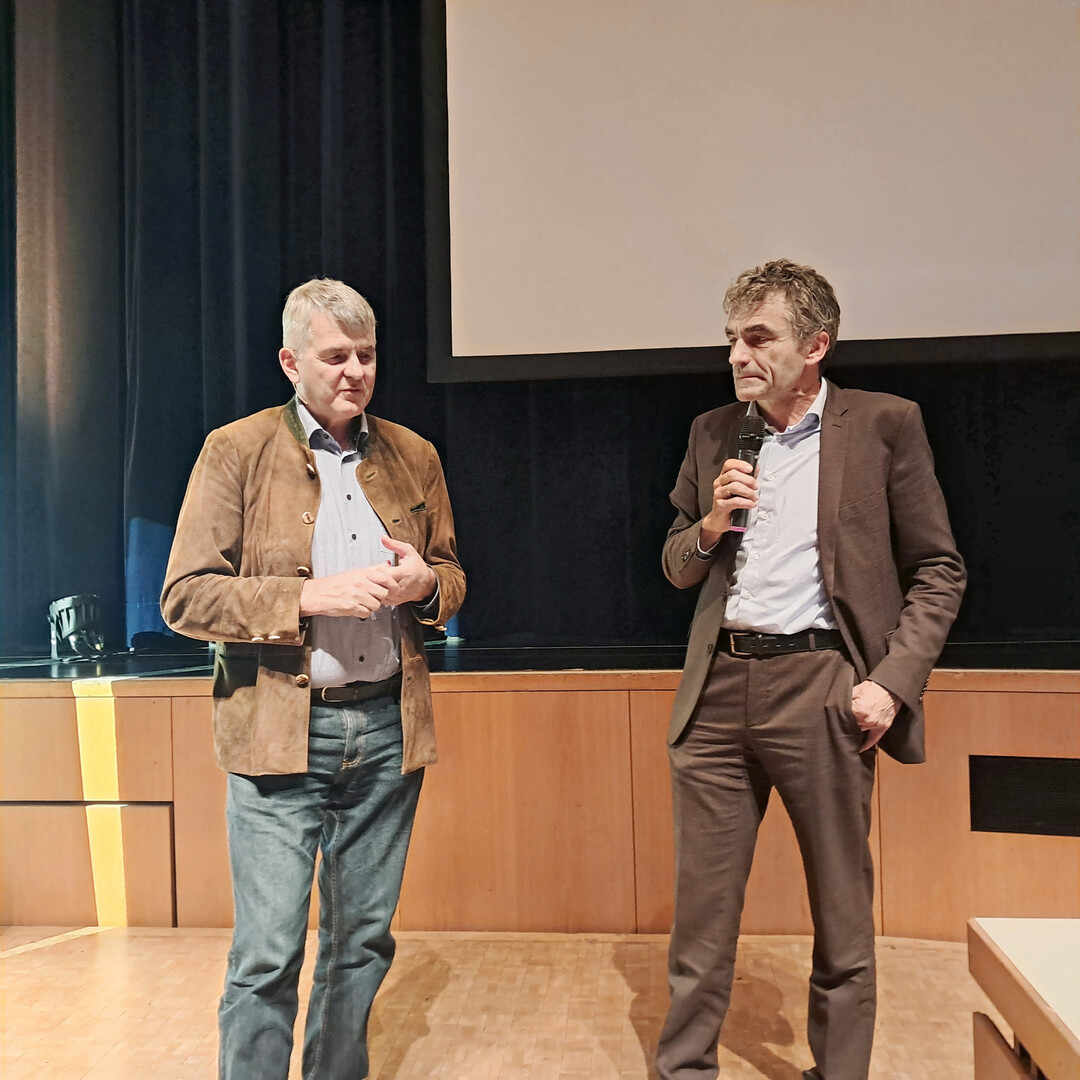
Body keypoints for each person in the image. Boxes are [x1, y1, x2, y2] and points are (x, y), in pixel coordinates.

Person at [655, 259, 965, 1080]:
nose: (737, 356)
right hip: (717, 689)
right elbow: (677, 564)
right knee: (703, 921)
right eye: (731, 339)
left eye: (759, 338)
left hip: (822, 686)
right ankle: (684, 1071)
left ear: (816, 344)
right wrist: (713, 525)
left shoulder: (886, 424)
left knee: (842, 916)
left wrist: (890, 682)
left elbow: (940, 569)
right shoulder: (713, 431)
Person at [161, 278, 465, 1080]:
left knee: (361, 945)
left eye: (366, 355)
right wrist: (304, 597)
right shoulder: (236, 450)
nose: (355, 371)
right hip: (278, 736)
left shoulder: (413, 456)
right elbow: (185, 595)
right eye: (336, 356)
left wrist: (424, 587)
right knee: (267, 954)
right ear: (292, 362)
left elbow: (451, 575)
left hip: (386, 729)